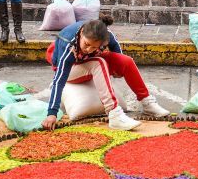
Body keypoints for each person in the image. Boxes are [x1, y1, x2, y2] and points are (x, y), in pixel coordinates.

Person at [42, 15, 170, 131]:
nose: (88, 49)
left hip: (87, 62)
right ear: (81, 33)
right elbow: (58, 80)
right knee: (98, 63)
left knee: (126, 60)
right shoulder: (69, 43)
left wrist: (118, 68)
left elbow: (117, 54)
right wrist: (51, 113)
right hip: (69, 69)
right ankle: (114, 115)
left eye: (94, 47)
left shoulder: (106, 35)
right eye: (86, 44)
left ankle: (147, 103)